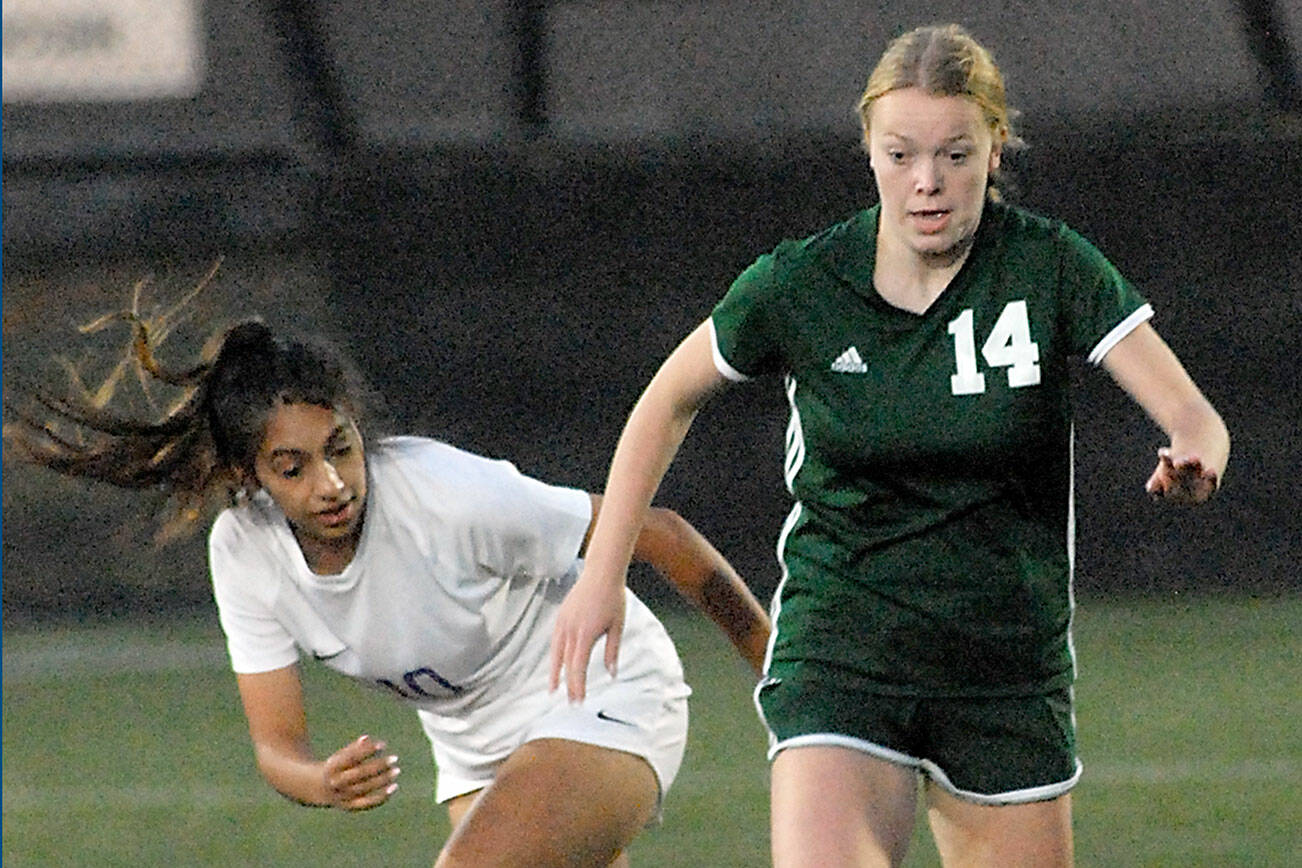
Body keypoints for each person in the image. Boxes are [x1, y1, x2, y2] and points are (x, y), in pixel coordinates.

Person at [549, 23, 1230, 868]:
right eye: (901, 154)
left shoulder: (1048, 268)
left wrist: (1195, 457)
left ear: (995, 147)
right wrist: (601, 578)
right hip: (843, 651)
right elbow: (663, 405)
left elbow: (1196, 419)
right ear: (868, 150)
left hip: (1003, 666)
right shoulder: (802, 284)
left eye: (954, 154)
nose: (927, 182)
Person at [5, 304, 771, 868]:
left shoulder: (445, 492)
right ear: (248, 478)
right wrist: (320, 781)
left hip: (603, 691)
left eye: (340, 448)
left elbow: (661, 533)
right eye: (292, 466)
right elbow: (278, 748)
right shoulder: (243, 551)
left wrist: (780, 671)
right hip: (474, 750)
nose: (332, 483)